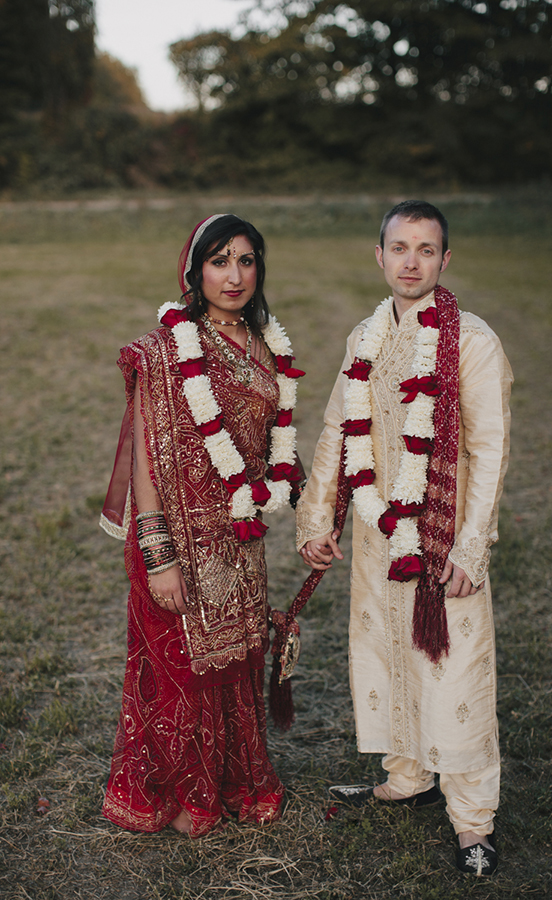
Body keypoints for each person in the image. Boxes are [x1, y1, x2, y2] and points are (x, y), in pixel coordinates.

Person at [296, 200, 512, 876]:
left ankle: (474, 822)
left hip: (441, 539)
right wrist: (313, 520)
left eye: (426, 249)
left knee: (453, 674)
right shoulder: (365, 337)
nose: (411, 261)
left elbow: (490, 448)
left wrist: (471, 547)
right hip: (375, 534)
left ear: (446, 260)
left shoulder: (469, 340)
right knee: (389, 652)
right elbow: (336, 431)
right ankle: (407, 775)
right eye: (399, 247)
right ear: (380, 255)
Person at [100, 214, 304, 837]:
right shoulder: (166, 349)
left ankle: (231, 777)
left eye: (246, 260)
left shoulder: (263, 342)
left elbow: (277, 443)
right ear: (195, 271)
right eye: (219, 261)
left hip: (238, 537)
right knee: (183, 664)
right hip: (178, 537)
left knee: (236, 657)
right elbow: (144, 459)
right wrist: (159, 556)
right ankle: (183, 790)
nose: (234, 275)